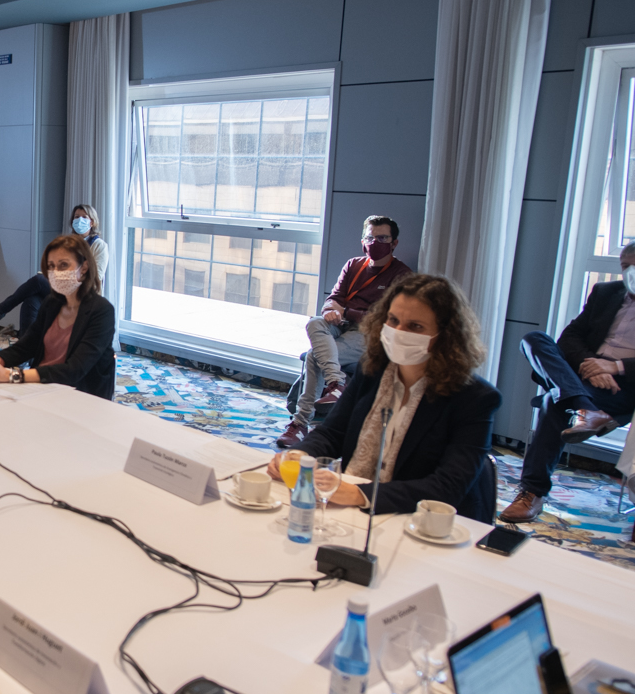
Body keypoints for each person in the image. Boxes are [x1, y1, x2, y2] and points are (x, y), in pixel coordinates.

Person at [268, 274, 500, 523]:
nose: (399, 332)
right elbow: (333, 433)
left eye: (415, 327)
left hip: (424, 525)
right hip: (353, 514)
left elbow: (446, 488)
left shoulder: (475, 399)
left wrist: (360, 494)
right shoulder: (372, 370)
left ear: (445, 336)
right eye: (393, 320)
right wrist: (300, 455)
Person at [500, 243, 635, 522]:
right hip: (584, 374)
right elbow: (570, 337)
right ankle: (585, 408)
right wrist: (591, 364)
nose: (630, 271)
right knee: (534, 340)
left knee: (555, 400)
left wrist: (614, 366)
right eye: (625, 266)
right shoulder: (606, 292)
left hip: (623, 385)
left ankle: (532, 492)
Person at [276, 215, 412, 448]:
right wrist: (331, 309)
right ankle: (335, 382)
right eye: (370, 237)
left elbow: (384, 318)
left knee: (313, 355)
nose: (375, 242)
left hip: (370, 333)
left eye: (382, 238)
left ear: (394, 243)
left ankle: (300, 424)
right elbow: (334, 298)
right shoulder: (353, 265)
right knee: (315, 322)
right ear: (362, 241)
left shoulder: (402, 275)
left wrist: (347, 311)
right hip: (341, 324)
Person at [0, 235, 117, 399]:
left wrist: (12, 375)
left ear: (84, 267)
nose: (57, 273)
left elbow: (75, 370)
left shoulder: (102, 311)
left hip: (80, 397)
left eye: (64, 265)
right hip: (41, 388)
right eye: (52, 267)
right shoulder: (52, 303)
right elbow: (27, 346)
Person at [0, 205, 108, 338]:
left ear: (92, 222)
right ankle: (27, 356)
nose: (80, 220)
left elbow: (95, 276)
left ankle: (0, 310)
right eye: (77, 217)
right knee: (31, 302)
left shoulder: (99, 246)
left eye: (84, 217)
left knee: (38, 281)